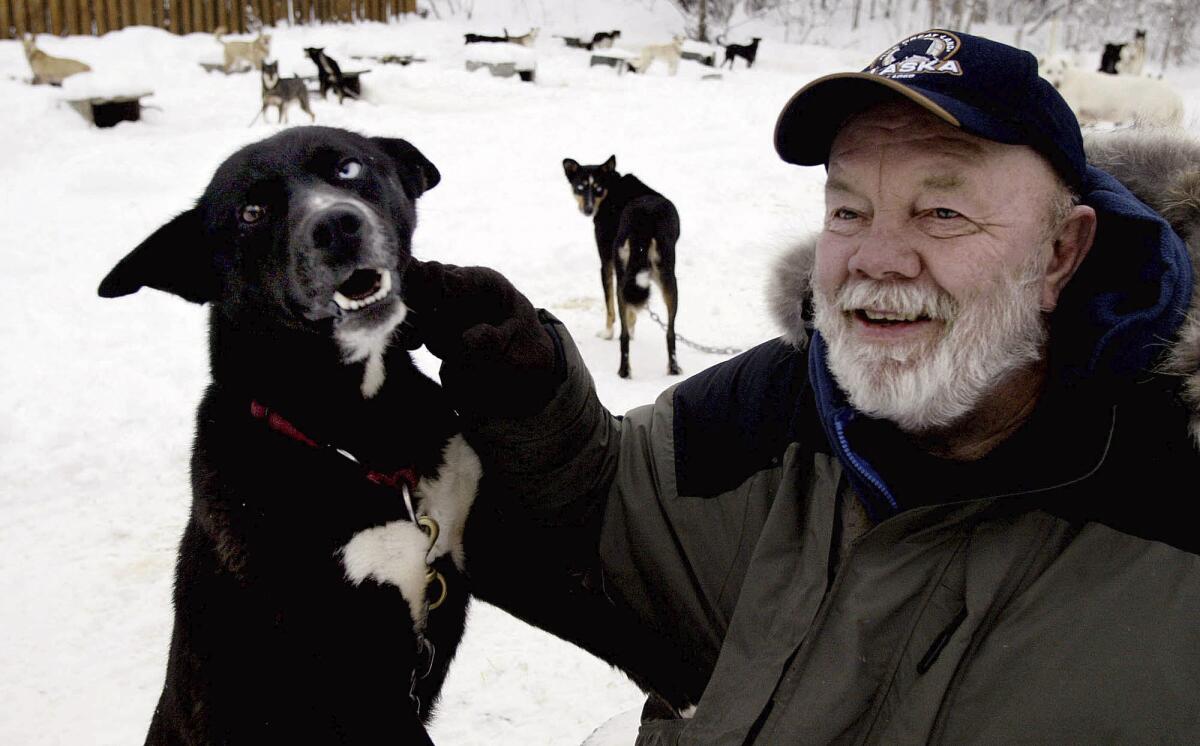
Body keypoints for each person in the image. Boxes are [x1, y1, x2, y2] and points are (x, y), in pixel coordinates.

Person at [403, 30, 1200, 744]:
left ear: (1062, 252)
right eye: (849, 210)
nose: (876, 258)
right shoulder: (785, 403)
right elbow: (608, 503)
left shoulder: (1168, 519)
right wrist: (530, 392)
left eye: (944, 212)